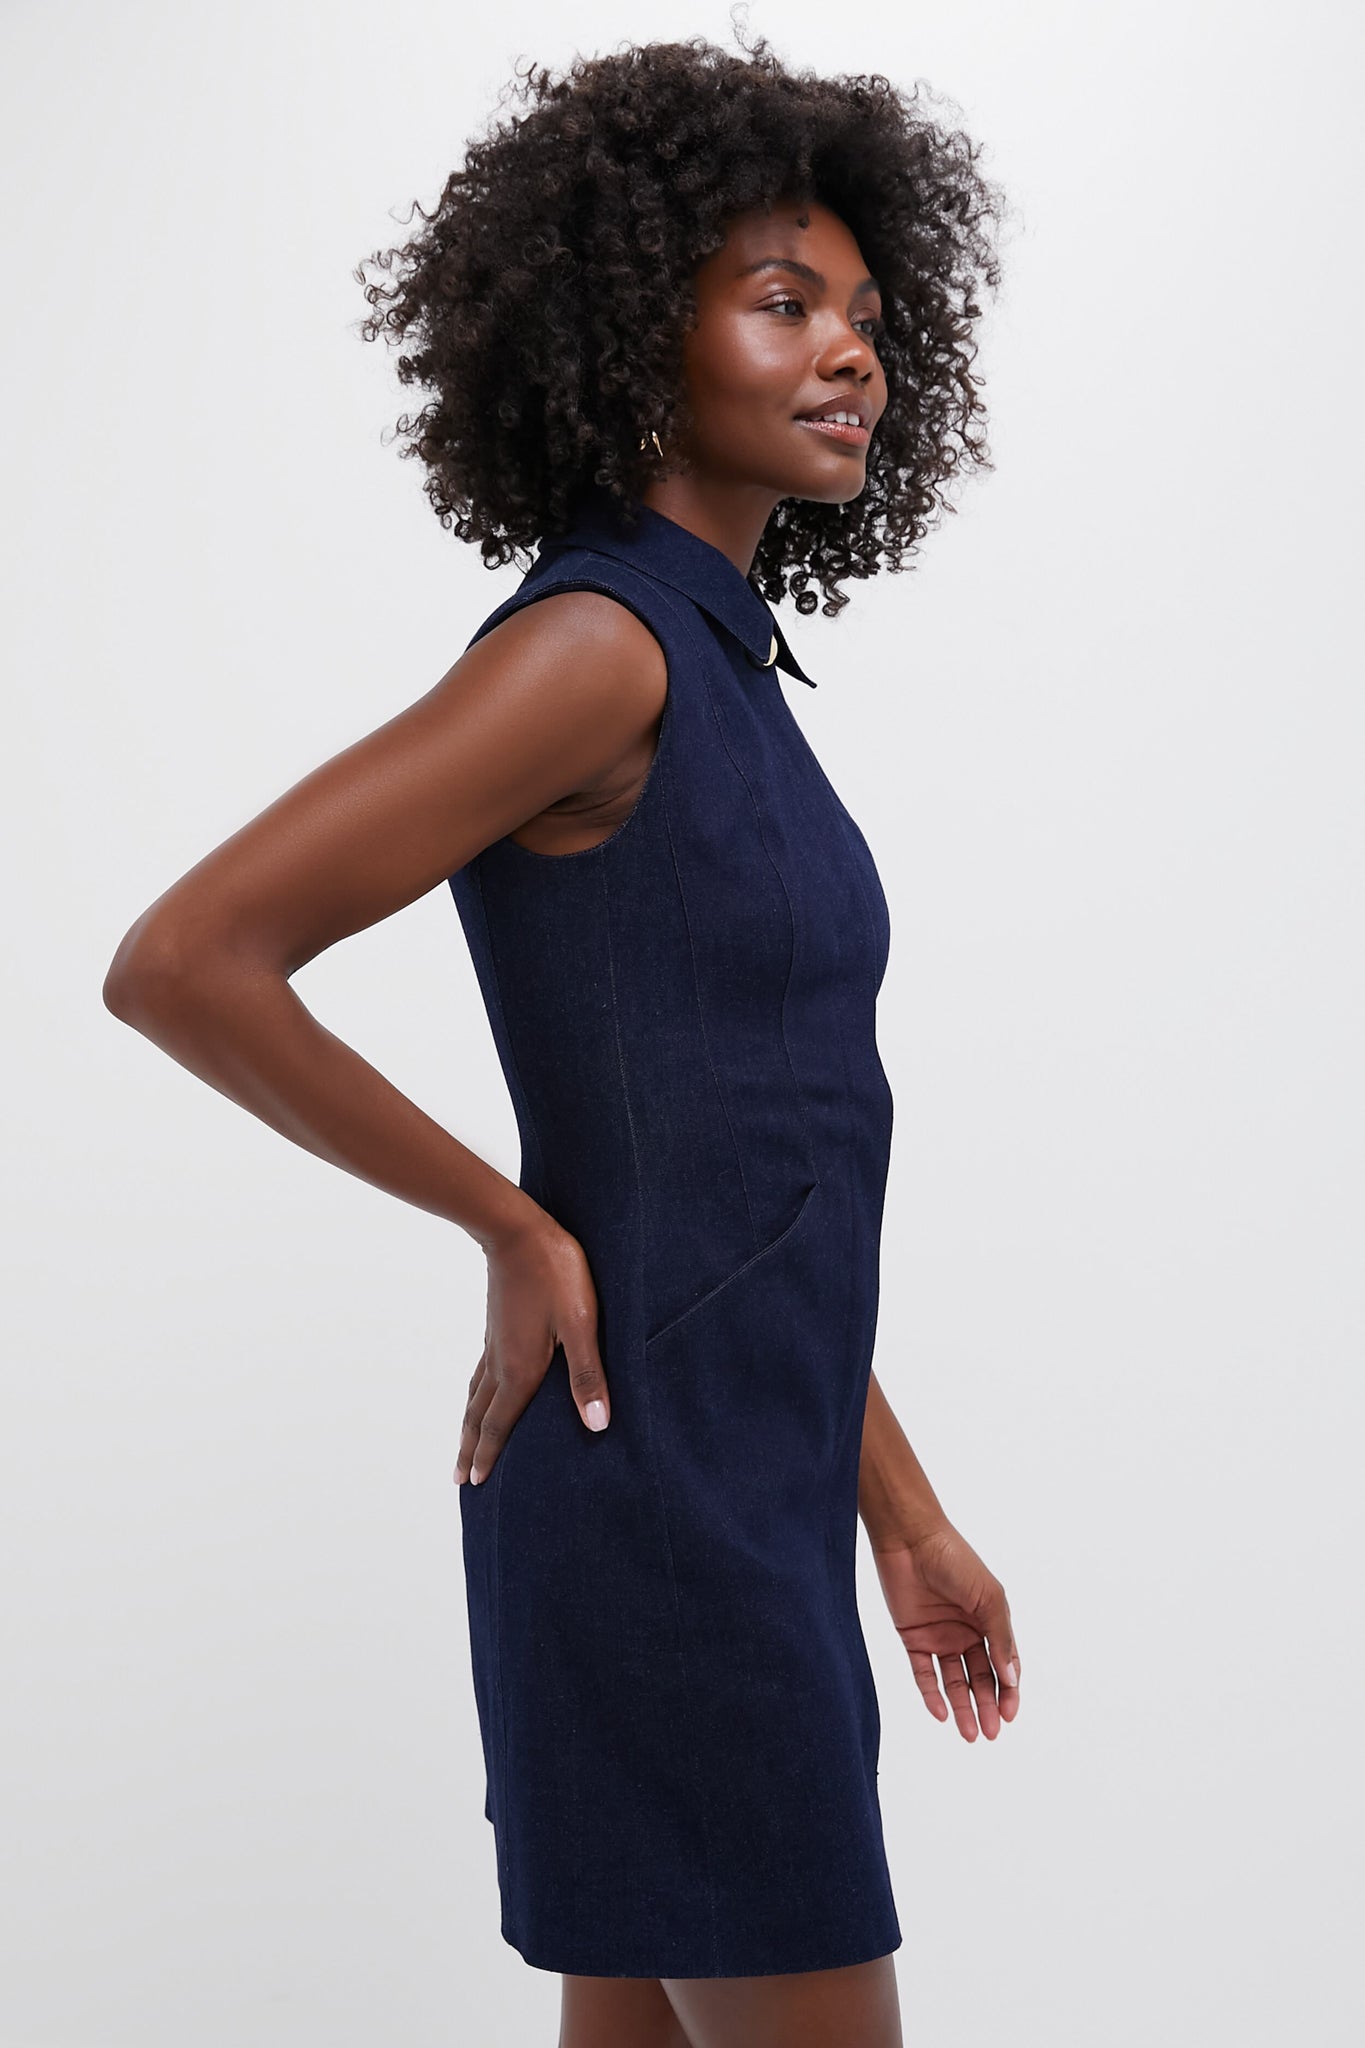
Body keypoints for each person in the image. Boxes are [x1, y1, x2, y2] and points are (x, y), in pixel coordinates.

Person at [103, 33, 1021, 2048]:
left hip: (736, 1491)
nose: (847, 353)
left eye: (867, 317)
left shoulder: (722, 667)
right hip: (660, 1514)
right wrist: (506, 1224)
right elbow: (188, 958)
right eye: (780, 301)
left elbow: (747, 1188)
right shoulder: (594, 650)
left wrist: (900, 1510)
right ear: (630, 337)